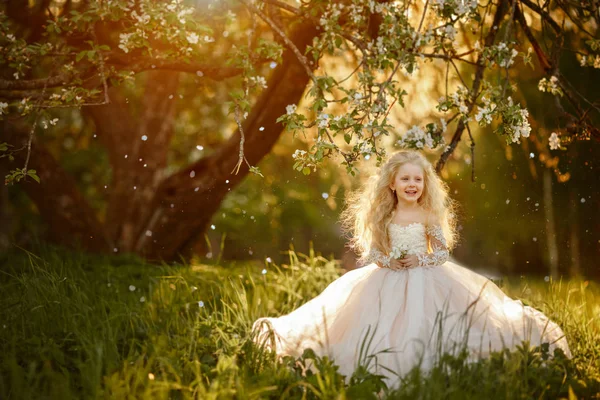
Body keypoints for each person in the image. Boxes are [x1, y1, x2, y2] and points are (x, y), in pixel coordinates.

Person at [252, 150, 571, 388]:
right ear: (392, 183)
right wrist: (387, 261)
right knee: (376, 325)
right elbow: (376, 250)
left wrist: (421, 259)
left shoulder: (428, 215)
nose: (412, 184)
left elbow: (443, 253)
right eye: (405, 178)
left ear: (425, 183)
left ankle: (437, 368)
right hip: (387, 277)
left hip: (427, 275)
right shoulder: (385, 217)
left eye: (418, 179)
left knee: (432, 323)